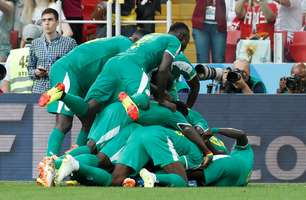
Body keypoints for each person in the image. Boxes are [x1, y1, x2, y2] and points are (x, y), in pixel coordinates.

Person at [40, 22, 190, 132]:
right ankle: (129, 100)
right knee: (143, 100)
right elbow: (163, 69)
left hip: (111, 66)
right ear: (182, 37)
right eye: (186, 42)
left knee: (88, 111)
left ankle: (63, 96)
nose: (183, 47)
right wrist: (162, 99)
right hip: (133, 65)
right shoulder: (173, 41)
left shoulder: (152, 38)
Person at [27, 8, 77, 94]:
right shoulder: (35, 43)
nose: (47, 23)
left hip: (60, 90)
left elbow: (75, 67)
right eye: (44, 20)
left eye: (50, 20)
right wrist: (36, 72)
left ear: (57, 22)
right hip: (39, 90)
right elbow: (30, 67)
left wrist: (58, 72)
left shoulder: (69, 43)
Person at [189, 128, 254, 186]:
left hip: (228, 164)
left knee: (189, 172)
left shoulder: (243, 151)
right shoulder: (246, 157)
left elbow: (241, 134)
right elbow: (219, 154)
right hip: (233, 181)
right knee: (199, 179)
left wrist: (213, 130)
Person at [0, 24, 42, 93]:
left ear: (23, 39)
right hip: (37, 100)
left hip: (16, 101)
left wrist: (9, 102)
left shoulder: (13, 55)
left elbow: (5, 85)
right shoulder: (42, 55)